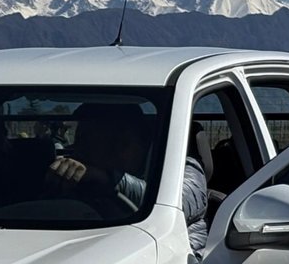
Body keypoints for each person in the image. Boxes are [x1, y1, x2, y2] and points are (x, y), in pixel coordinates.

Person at [47, 106, 210, 252]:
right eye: (83, 139)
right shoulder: (87, 175)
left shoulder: (183, 167)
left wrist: (108, 179)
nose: (81, 148)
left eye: (121, 142)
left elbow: (175, 203)